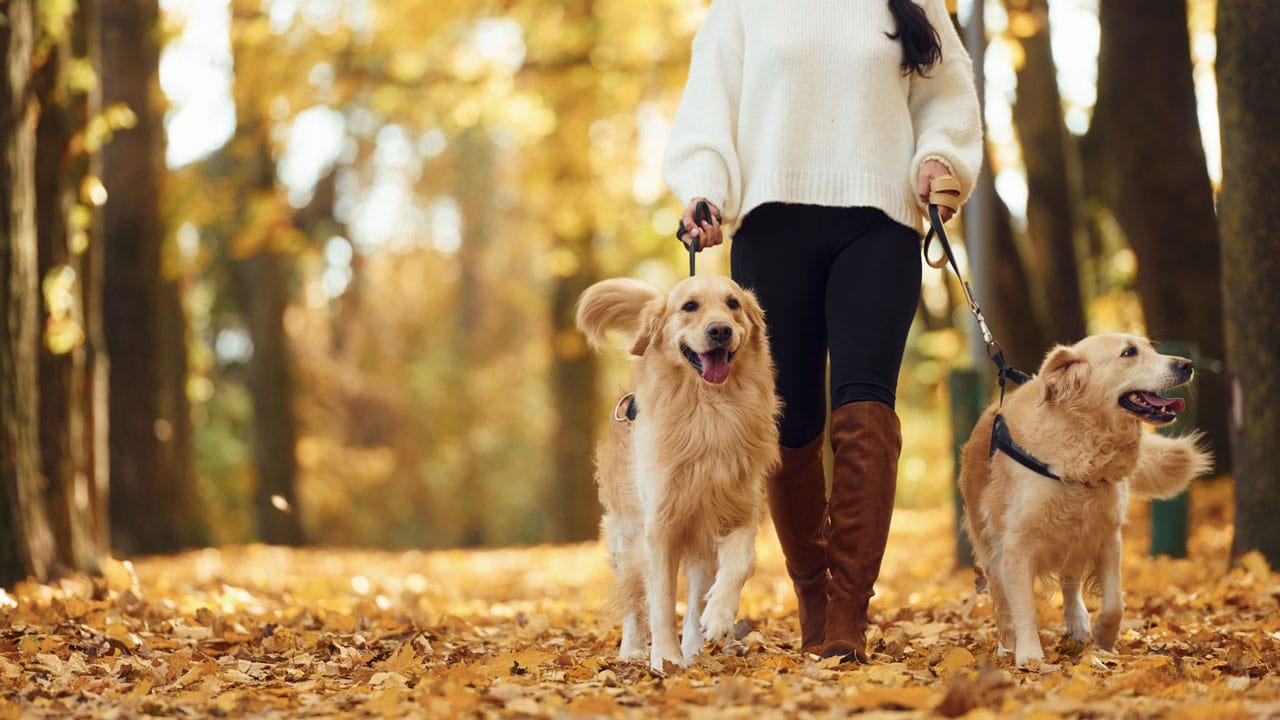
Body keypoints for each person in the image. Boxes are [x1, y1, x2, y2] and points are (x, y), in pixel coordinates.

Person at [662, 0, 982, 662]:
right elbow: (709, 104)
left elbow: (948, 92)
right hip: (772, 222)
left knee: (866, 406)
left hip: (881, 222)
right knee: (791, 420)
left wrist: (940, 159)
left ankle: (847, 614)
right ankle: (812, 594)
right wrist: (705, 189)